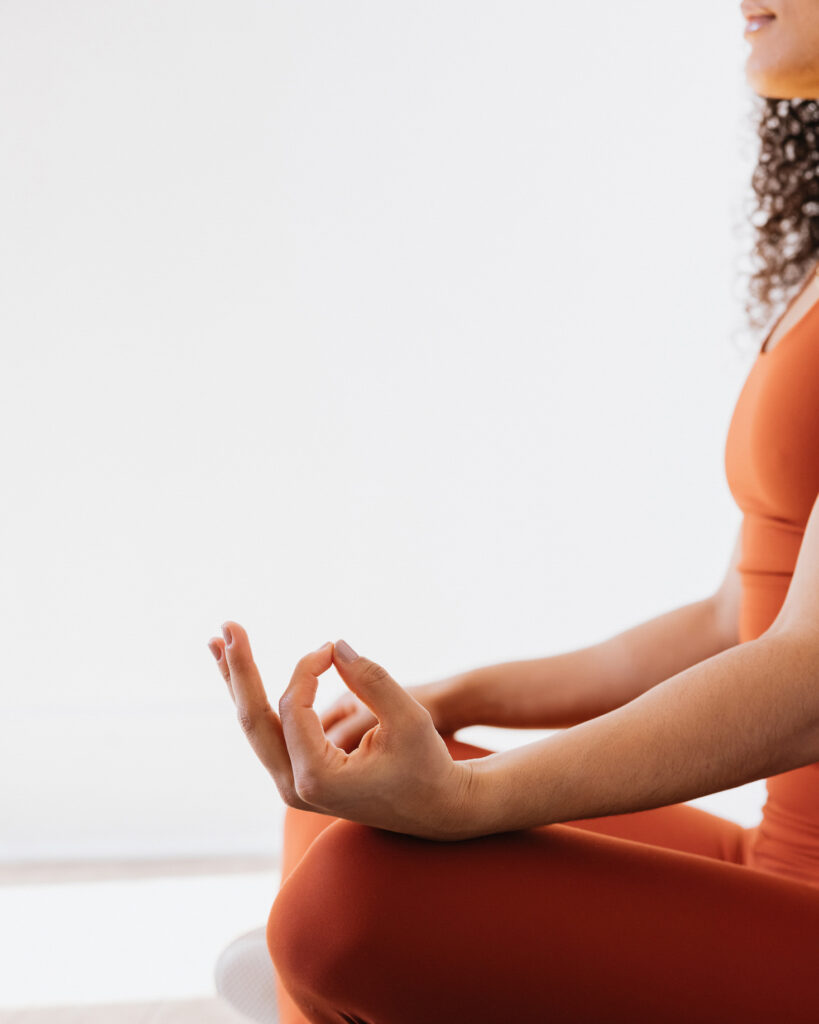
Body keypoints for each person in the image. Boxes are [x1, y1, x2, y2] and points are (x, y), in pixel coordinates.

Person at [207, 4, 819, 1021]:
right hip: (778, 855)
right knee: (343, 817)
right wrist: (461, 696)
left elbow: (808, 676)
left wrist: (468, 800)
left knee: (346, 909)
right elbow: (732, 621)